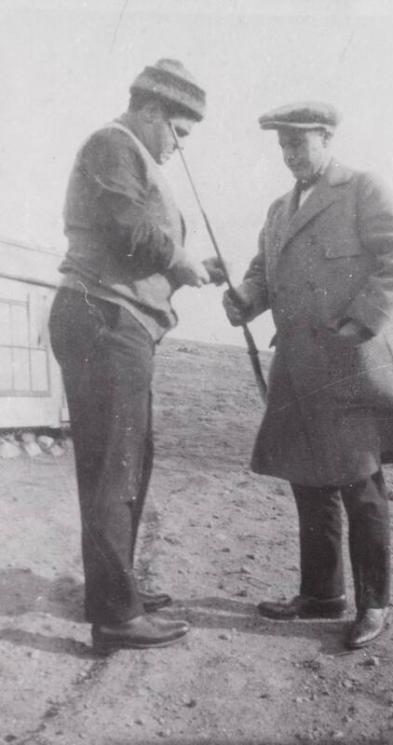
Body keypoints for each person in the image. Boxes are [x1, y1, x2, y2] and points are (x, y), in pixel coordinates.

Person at [223, 102, 393, 649]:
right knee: (308, 481)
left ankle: (374, 604)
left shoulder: (363, 189)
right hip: (297, 369)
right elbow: (262, 271)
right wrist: (245, 298)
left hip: (351, 367)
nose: (292, 155)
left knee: (360, 486)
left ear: (327, 137)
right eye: (284, 147)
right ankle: (321, 594)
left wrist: (358, 321)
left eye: (300, 143)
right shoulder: (278, 209)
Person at [49, 59, 224, 654]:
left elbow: (138, 237)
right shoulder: (112, 143)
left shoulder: (129, 151)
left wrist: (189, 269)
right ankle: (115, 615)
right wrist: (182, 263)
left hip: (118, 323)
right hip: (105, 320)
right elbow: (129, 229)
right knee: (112, 468)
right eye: (179, 131)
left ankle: (116, 590)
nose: (178, 146)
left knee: (126, 460)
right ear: (151, 111)